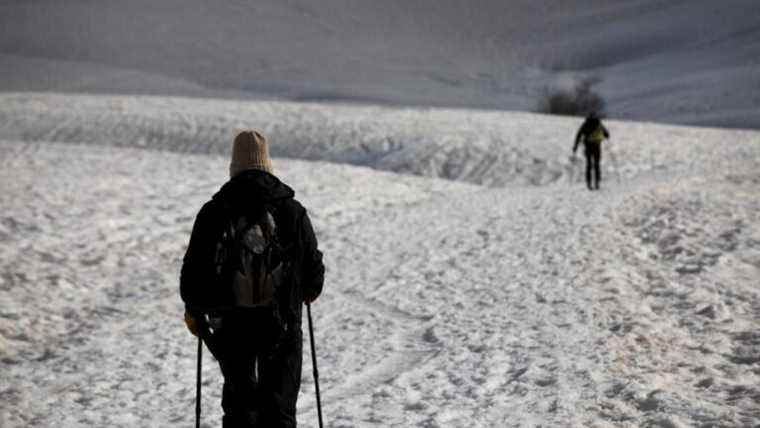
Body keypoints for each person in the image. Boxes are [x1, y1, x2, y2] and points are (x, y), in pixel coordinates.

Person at [180, 130, 325, 427]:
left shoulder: (214, 212)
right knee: (279, 411)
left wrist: (197, 314)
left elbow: (192, 282)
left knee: (240, 410)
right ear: (267, 164)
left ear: (234, 165)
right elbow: (314, 278)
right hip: (282, 324)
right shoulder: (292, 211)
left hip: (232, 327)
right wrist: (303, 292)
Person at [572, 113, 610, 190]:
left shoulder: (585, 124)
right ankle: (597, 182)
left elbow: (579, 135)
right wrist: (603, 135)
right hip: (597, 147)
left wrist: (575, 146)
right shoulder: (599, 123)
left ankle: (589, 183)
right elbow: (607, 135)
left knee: (589, 165)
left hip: (588, 147)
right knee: (597, 165)